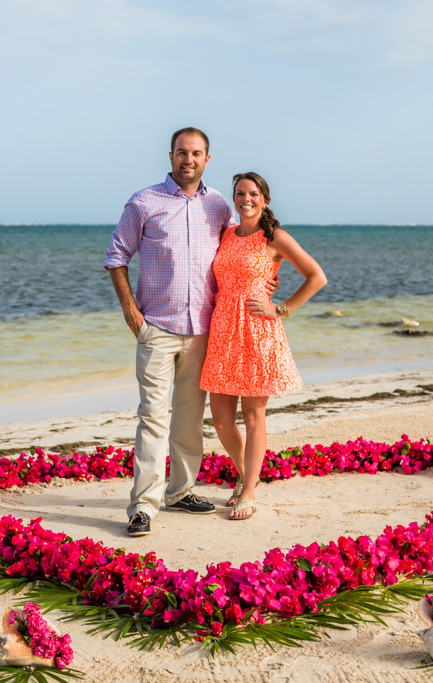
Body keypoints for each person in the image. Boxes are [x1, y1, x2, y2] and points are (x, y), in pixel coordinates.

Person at [104, 128, 276, 537]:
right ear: (170, 156)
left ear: (207, 159)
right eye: (182, 153)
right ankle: (143, 506)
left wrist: (267, 284)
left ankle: (180, 490)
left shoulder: (219, 205)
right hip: (157, 328)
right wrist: (131, 311)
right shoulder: (143, 201)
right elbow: (116, 255)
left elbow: (244, 246)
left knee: (189, 416)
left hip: (205, 329)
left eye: (196, 153)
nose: (189, 160)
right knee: (152, 416)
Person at [200, 172, 327, 520]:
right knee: (222, 421)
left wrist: (280, 308)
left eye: (253, 194)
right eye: (240, 193)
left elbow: (317, 276)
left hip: (257, 330)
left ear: (265, 200)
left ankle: (249, 491)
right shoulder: (225, 233)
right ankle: (246, 475)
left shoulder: (275, 238)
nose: (246, 199)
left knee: (254, 415)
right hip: (223, 330)